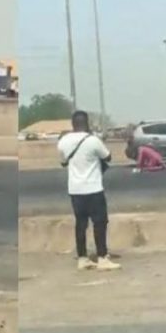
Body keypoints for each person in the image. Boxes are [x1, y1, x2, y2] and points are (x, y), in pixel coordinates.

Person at [57, 110, 120, 271]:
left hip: (75, 189)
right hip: (93, 188)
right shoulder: (93, 141)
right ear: (87, 123)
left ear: (73, 124)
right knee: (100, 223)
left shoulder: (64, 141)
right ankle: (102, 257)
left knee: (80, 224)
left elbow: (63, 162)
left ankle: (83, 258)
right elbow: (108, 157)